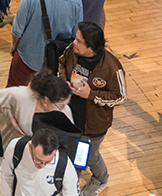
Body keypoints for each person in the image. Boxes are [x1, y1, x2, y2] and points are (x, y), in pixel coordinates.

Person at [59, 23, 125, 195]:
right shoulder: (72, 51)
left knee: (88, 155)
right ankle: (74, 173)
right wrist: (63, 81)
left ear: (91, 48)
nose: (74, 42)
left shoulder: (112, 67)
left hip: (93, 126)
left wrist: (90, 94)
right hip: (71, 117)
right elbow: (62, 62)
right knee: (75, 150)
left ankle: (101, 178)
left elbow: (120, 96)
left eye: (79, 41)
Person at [9, 0, 83, 89]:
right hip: (56, 59)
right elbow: (76, 33)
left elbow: (17, 30)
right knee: (47, 97)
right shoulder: (76, 0)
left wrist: (14, 47)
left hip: (28, 55)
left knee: (14, 91)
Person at [0, 70, 81, 163]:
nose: (63, 109)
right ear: (46, 100)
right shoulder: (20, 96)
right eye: (61, 105)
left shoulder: (65, 111)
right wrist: (11, 118)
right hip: (11, 148)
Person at [0, 127, 78, 196]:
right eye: (38, 160)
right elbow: (5, 174)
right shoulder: (16, 149)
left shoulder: (64, 165)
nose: (42, 165)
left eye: (47, 162)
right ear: (30, 146)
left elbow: (72, 193)